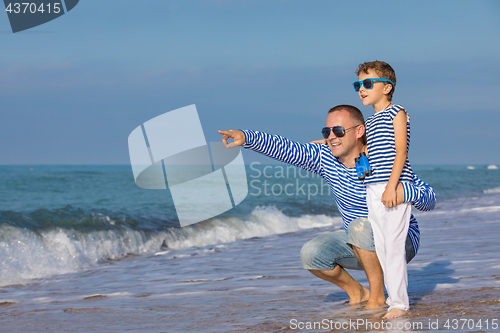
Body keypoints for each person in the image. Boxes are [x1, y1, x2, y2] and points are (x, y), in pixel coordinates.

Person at [218, 104, 435, 316]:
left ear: (360, 131)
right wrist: (247, 138)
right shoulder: (325, 157)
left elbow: (429, 198)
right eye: (327, 131)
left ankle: (378, 299)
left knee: (360, 226)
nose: (332, 136)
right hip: (359, 240)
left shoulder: (382, 157)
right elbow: (287, 149)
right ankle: (358, 293)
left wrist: (405, 192)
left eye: (339, 131)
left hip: (399, 241)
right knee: (312, 253)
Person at [354, 61, 413, 318]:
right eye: (358, 85)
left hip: (394, 187)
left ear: (387, 87)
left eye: (368, 83)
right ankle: (393, 299)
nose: (361, 89)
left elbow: (401, 151)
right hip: (373, 188)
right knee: (381, 246)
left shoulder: (396, 112)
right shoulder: (371, 120)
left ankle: (400, 303)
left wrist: (392, 187)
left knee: (393, 244)